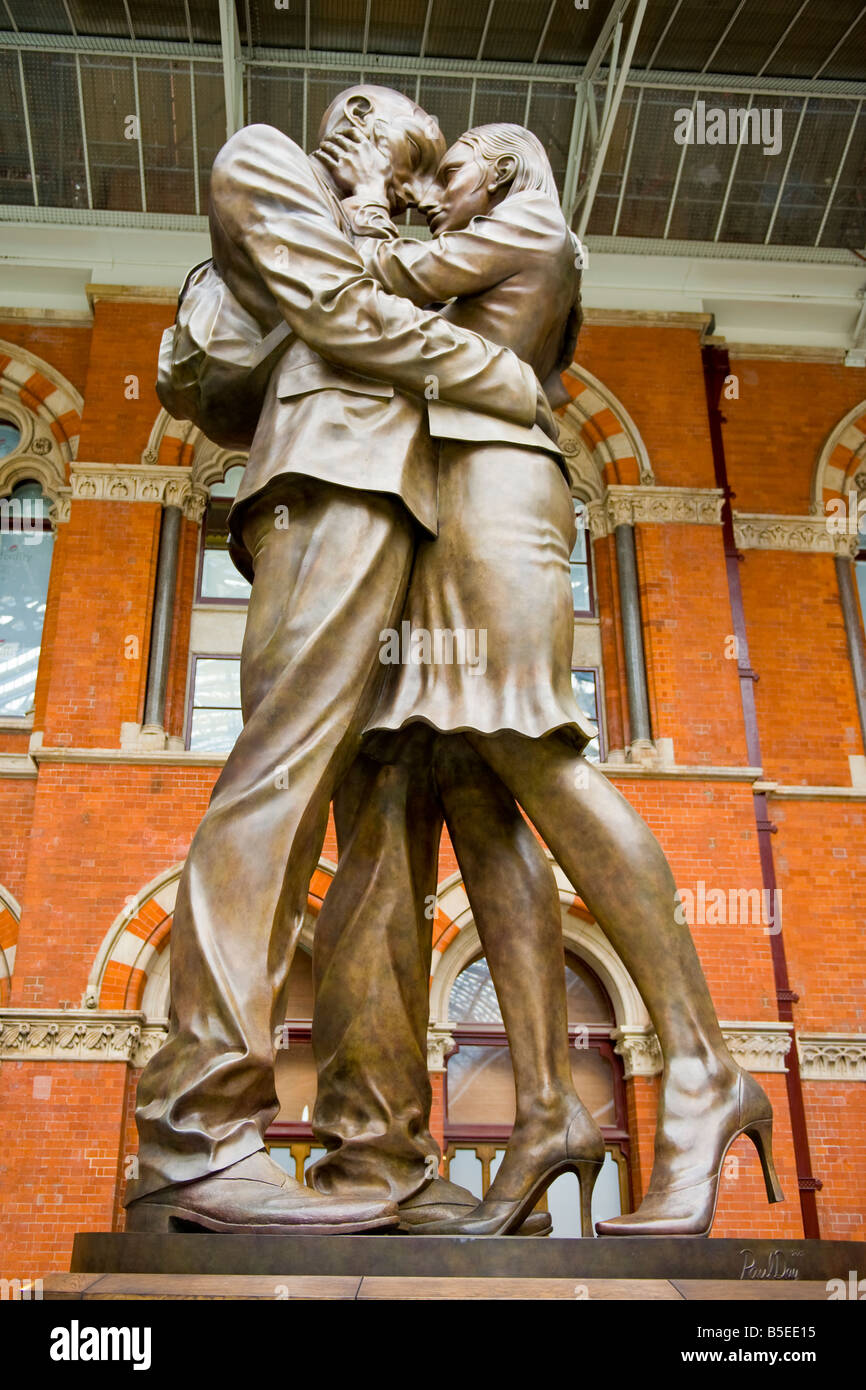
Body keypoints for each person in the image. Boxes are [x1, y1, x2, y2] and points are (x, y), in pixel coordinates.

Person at [308, 124, 784, 1238]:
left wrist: (376, 195)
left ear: (509, 167)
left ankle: (704, 1068)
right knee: (473, 788)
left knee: (532, 750)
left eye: (454, 165)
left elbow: (367, 282)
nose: (439, 186)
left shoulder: (528, 223)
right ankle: (541, 1111)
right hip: (445, 507)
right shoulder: (494, 235)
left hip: (498, 500)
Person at [126, 89, 555, 1236]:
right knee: (276, 782)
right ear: (346, 128)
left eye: (416, 172)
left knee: (387, 842)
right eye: (388, 147)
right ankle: (193, 1132)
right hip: (325, 491)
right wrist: (493, 377)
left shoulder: (398, 242)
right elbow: (331, 316)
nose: (395, 175)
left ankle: (378, 1156)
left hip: (417, 524)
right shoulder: (263, 162)